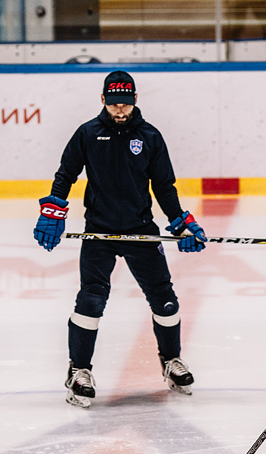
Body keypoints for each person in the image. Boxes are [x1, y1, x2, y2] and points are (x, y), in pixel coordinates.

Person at [33, 70, 208, 408]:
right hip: (98, 232)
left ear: (135, 100)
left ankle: (171, 361)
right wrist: (53, 210)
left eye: (125, 103)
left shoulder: (150, 137)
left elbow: (164, 187)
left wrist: (180, 222)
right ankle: (79, 371)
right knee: (91, 302)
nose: (119, 110)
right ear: (103, 100)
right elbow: (65, 175)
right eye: (113, 103)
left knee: (165, 300)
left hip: (141, 230)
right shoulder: (87, 134)